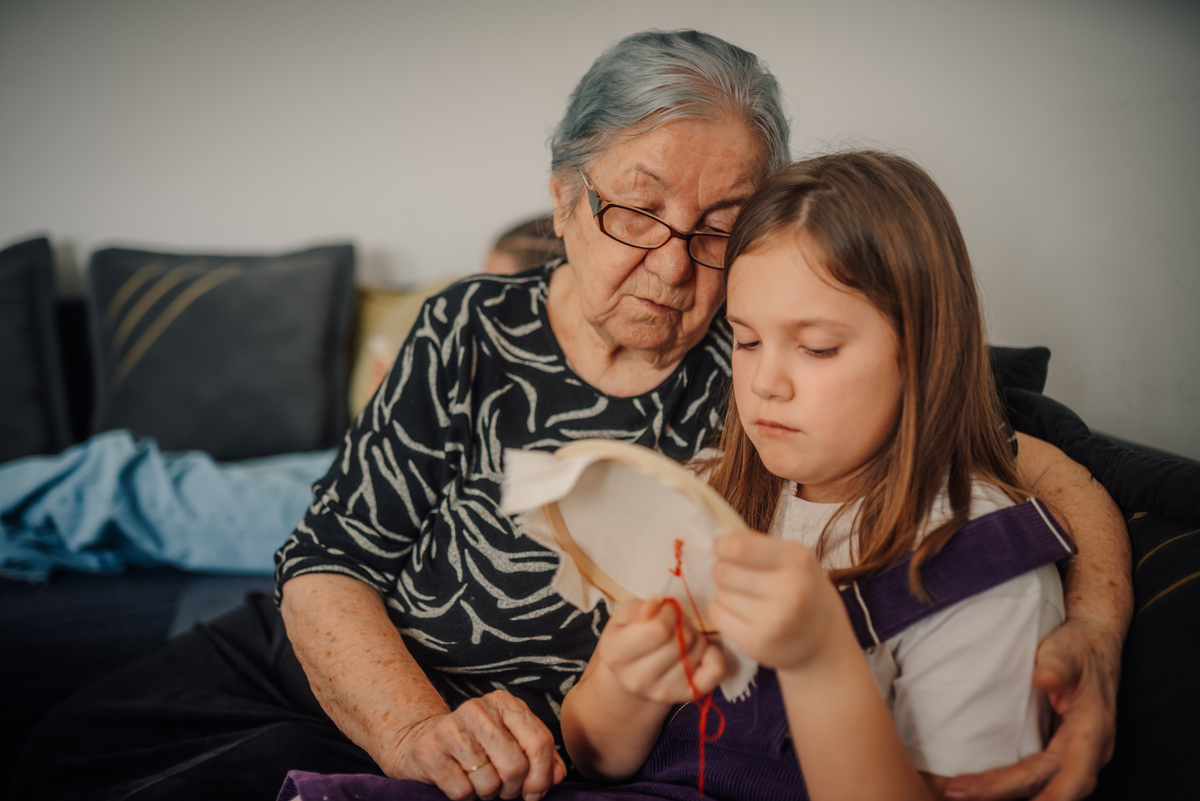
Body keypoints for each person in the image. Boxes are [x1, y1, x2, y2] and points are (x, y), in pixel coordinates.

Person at [12, 30, 1129, 801]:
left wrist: (1095, 635)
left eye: (717, 228)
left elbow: (1041, 462)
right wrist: (409, 728)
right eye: (638, 209)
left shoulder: (756, 362)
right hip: (349, 680)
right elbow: (329, 557)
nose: (671, 263)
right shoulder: (468, 328)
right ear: (565, 198)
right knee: (68, 752)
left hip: (536, 745)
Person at [560, 151, 1075, 800]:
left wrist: (820, 660)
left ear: (918, 350)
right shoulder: (704, 493)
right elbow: (591, 754)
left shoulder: (983, 564)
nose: (766, 382)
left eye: (817, 347)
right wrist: (623, 684)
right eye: (746, 340)